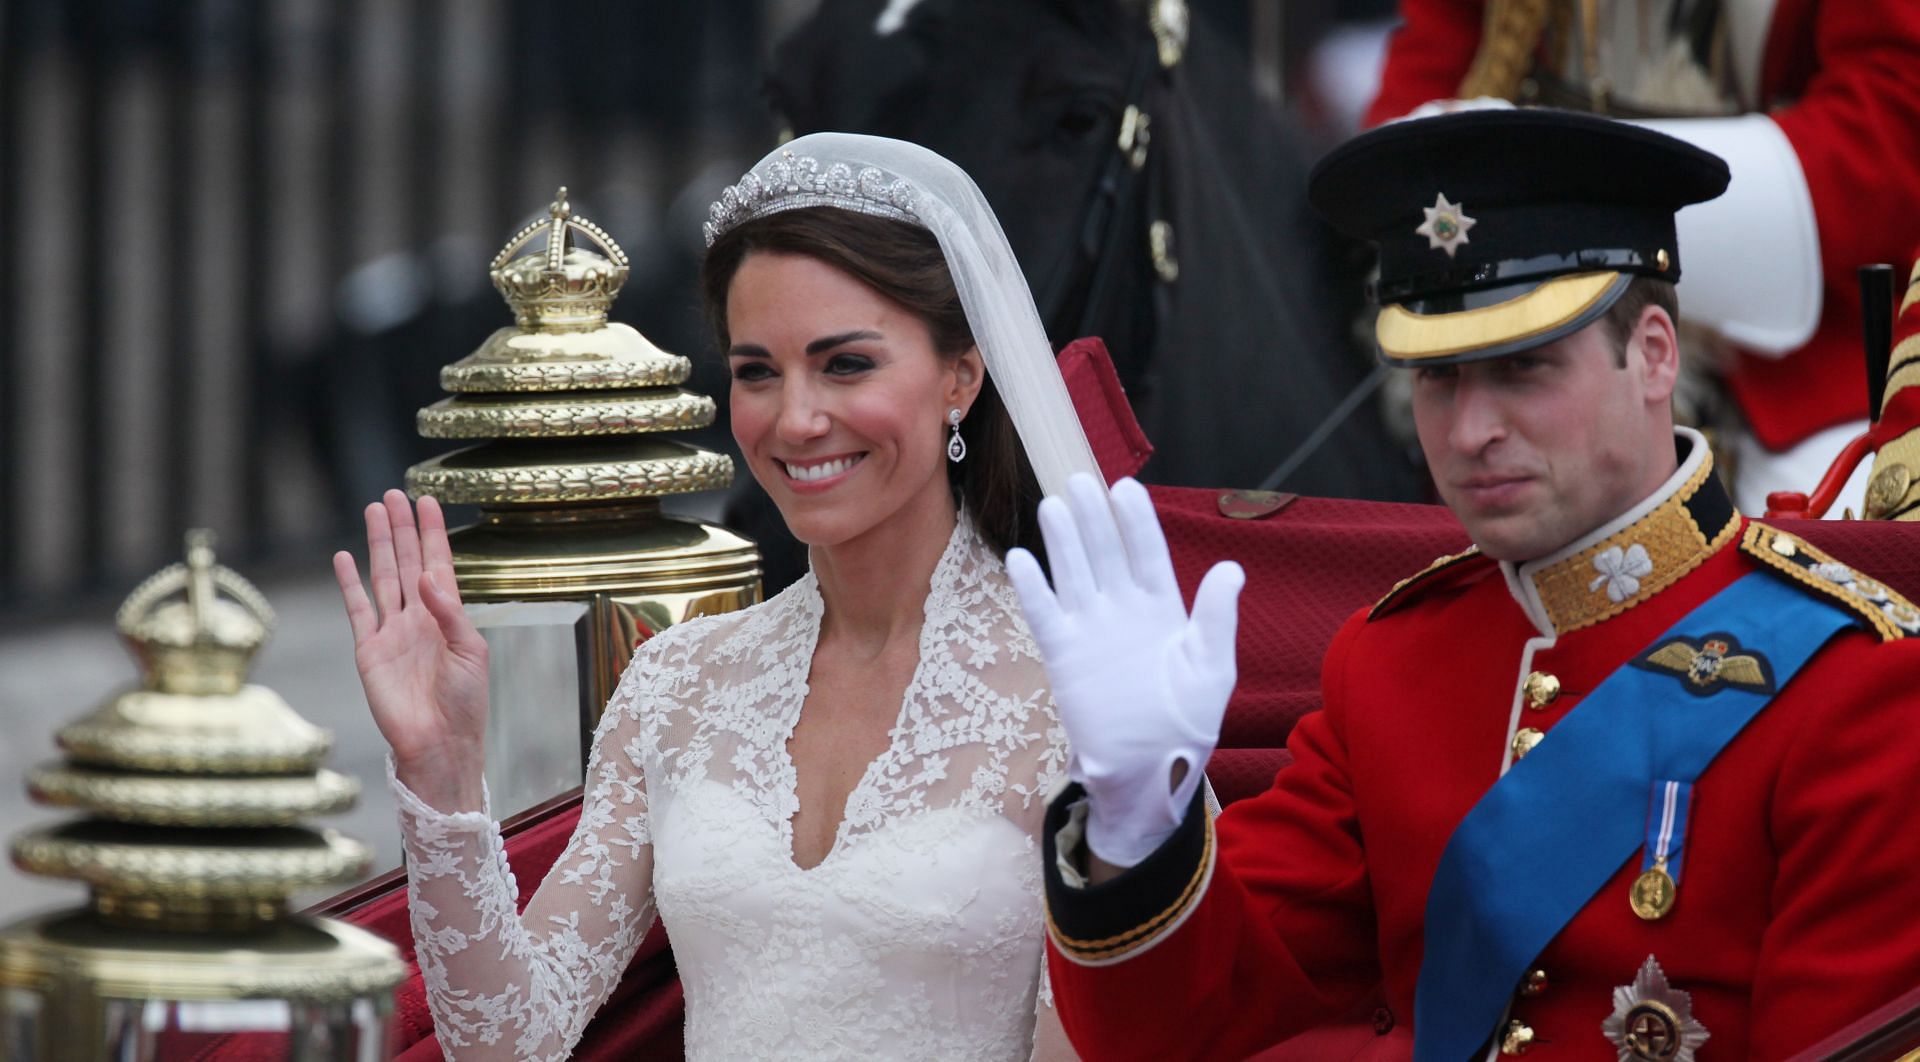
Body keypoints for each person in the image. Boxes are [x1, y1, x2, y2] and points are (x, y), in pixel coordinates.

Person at [1014, 109, 1920, 1059]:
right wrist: (1134, 826)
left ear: (1653, 353)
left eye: (1523, 368)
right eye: (1438, 378)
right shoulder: (1390, 659)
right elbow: (1189, 1022)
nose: (1468, 429)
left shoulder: (1856, 684)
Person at [331, 133, 1101, 1060]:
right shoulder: (678, 683)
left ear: (961, 378)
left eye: (845, 364)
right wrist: (443, 774)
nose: (797, 418)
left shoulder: (1084, 691)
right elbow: (509, 1043)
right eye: (757, 372)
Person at [1365, 0, 1920, 513]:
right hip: (1503, 291)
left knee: (1848, 541)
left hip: (1804, 332)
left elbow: (1894, 127)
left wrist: (1541, 183)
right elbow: (1437, 54)